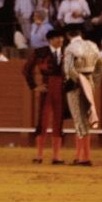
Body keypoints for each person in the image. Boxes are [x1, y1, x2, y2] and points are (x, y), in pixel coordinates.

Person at [63, 25, 102, 166]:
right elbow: (101, 68)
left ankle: (84, 158)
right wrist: (91, 83)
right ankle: (80, 155)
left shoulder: (70, 48)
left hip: (76, 86)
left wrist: (80, 82)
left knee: (79, 119)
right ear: (80, 33)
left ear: (68, 35)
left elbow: (69, 70)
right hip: (89, 83)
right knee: (85, 118)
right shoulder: (92, 45)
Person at [23, 28, 66, 164]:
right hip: (46, 88)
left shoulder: (68, 52)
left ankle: (56, 156)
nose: (60, 40)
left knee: (58, 121)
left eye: (61, 37)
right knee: (43, 120)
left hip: (62, 89)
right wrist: (34, 86)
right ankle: (39, 155)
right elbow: (26, 70)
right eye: (57, 38)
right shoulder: (40, 52)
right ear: (50, 40)